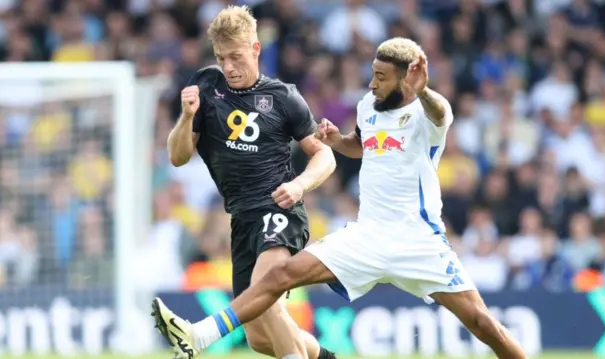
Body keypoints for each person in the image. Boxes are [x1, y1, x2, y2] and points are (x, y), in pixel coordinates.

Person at [154, 37, 529, 359]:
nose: (371, 84)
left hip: (418, 240)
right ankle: (199, 336)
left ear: (407, 78)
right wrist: (337, 141)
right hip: (367, 235)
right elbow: (362, 146)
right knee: (279, 276)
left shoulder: (425, 113)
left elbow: (441, 113)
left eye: (381, 77)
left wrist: (424, 91)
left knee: (482, 323)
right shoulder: (369, 108)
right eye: (372, 73)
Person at [151, 5, 337, 359]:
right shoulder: (205, 86)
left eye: (236, 57)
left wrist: (299, 185)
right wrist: (187, 116)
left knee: (263, 289)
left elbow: (324, 155)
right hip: (241, 220)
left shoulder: (284, 97)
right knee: (259, 337)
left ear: (256, 49)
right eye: (222, 58)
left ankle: (203, 335)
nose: (229, 67)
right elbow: (177, 156)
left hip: (279, 209)